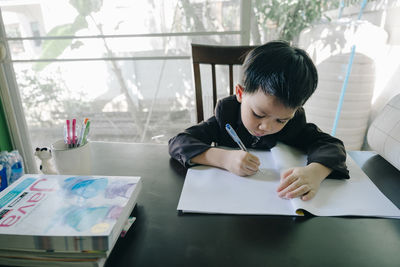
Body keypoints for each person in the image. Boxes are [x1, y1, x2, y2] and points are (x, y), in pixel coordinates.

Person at [169, 40, 349, 201]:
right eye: (258, 114)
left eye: (281, 120)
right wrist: (224, 158)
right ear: (240, 93)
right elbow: (178, 142)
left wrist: (314, 172)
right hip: (228, 199)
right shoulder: (226, 117)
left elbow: (332, 146)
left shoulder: (295, 125)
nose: (266, 127)